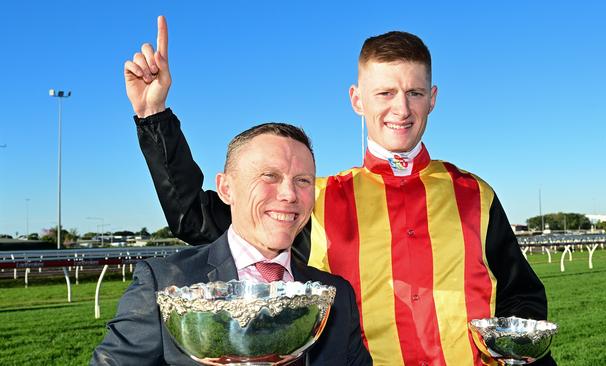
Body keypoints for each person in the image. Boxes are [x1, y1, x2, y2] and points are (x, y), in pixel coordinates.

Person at [129, 16, 555, 365]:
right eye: (385, 92)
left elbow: (523, 294)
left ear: (433, 99)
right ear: (357, 99)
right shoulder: (313, 197)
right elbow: (192, 215)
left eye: (415, 92)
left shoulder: (475, 193)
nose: (401, 108)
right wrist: (154, 116)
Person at [91, 122, 372, 365]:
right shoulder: (165, 283)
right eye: (269, 176)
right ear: (226, 188)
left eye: (303, 180)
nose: (289, 194)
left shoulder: (337, 295)